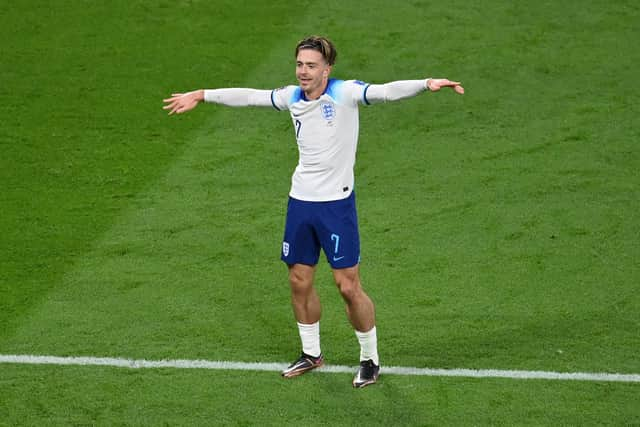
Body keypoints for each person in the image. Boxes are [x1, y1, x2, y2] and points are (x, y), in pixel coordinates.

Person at [163, 35, 464, 388]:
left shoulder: (345, 92)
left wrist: (426, 84)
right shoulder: (292, 97)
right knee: (298, 280)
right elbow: (249, 96)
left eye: (311, 66)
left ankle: (370, 359)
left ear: (327, 69)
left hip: (336, 205)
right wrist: (201, 94)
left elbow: (385, 91)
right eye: (300, 64)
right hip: (300, 202)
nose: (303, 72)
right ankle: (311, 354)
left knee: (348, 286)